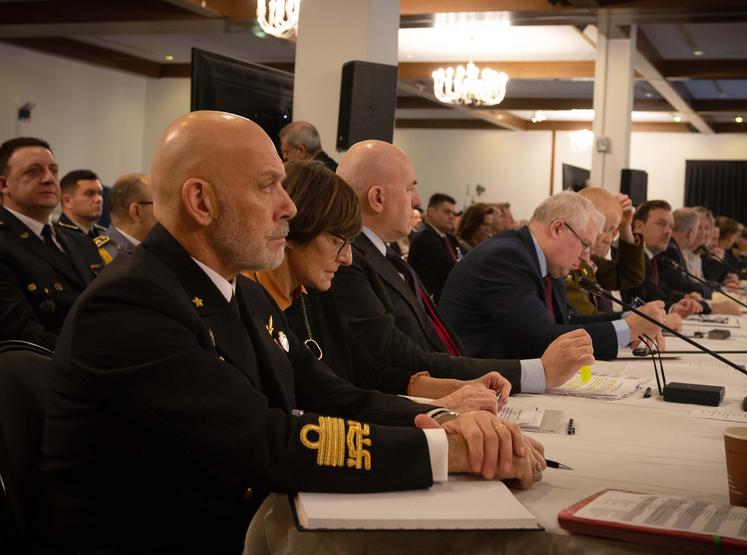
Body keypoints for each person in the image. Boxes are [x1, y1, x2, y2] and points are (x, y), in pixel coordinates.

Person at [34, 112, 544, 555]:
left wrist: (441, 418)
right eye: (267, 186)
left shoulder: (234, 289)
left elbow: (326, 392)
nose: (289, 207)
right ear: (201, 201)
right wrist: (445, 451)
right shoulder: (132, 304)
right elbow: (265, 440)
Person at [331, 140, 595, 394]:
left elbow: (432, 346)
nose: (417, 200)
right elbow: (404, 359)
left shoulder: (385, 255)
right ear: (377, 198)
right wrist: (537, 372)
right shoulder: (348, 261)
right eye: (410, 188)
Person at [247, 161, 510, 413]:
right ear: (292, 229)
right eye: (339, 240)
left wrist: (461, 387)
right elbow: (326, 402)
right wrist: (438, 410)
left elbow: (367, 372)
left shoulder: (309, 292)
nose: (346, 257)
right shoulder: (251, 304)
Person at [440, 191, 666, 361]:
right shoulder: (505, 257)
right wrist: (628, 329)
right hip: (479, 388)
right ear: (557, 229)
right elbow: (543, 340)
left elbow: (566, 323)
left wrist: (630, 318)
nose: (586, 256)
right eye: (584, 245)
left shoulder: (547, 261)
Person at [0, 137, 103, 356]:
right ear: (3, 185)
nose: (48, 179)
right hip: (48, 371)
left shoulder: (78, 240)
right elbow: (22, 334)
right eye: (33, 171)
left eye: (53, 170)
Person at [564, 187, 644, 316]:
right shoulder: (565, 262)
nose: (609, 239)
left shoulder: (587, 261)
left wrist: (625, 227)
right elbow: (587, 319)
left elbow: (629, 276)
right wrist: (632, 319)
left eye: (614, 231)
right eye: (606, 229)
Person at [408, 193, 462, 300]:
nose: (452, 217)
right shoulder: (425, 237)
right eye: (447, 212)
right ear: (431, 212)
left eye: (453, 213)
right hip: (431, 301)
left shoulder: (449, 237)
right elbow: (451, 268)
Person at [103, 173, 157, 255]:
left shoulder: (147, 248)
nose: (162, 213)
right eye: (157, 205)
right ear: (136, 212)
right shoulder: (103, 256)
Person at [58, 169, 106, 239]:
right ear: (67, 201)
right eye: (90, 194)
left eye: (100, 193)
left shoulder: (104, 234)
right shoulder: (56, 237)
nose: (99, 199)